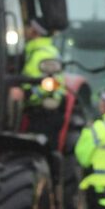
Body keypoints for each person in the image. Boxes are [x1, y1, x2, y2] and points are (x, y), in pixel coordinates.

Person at [21, 19, 67, 149]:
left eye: (28, 26)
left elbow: (52, 83)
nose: (24, 30)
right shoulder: (34, 52)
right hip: (38, 113)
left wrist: (27, 94)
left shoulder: (44, 54)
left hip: (44, 114)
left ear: (35, 31)